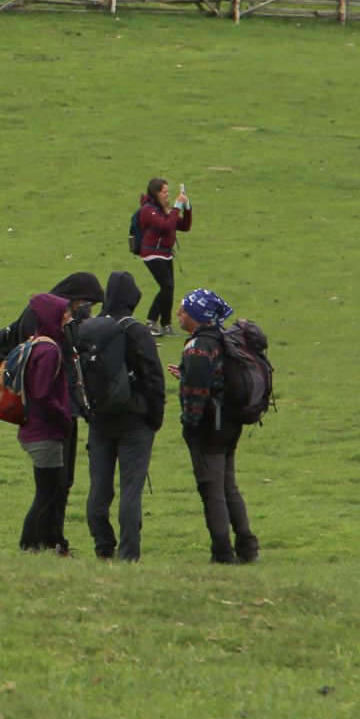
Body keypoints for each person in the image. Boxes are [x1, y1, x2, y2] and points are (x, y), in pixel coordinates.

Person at [77, 270, 166, 561]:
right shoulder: (136, 331)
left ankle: (103, 547)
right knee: (130, 491)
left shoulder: (89, 329)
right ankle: (129, 555)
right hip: (135, 423)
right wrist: (154, 418)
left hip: (100, 420)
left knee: (98, 489)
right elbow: (153, 378)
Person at [175, 287, 259, 565]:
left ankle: (222, 553)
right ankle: (247, 547)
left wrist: (189, 423)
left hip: (209, 428)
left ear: (197, 315)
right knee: (228, 485)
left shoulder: (199, 346)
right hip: (230, 422)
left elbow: (196, 394)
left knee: (212, 489)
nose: (178, 314)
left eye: (184, 310)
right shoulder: (221, 338)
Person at [14, 292, 77, 555]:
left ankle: (37, 544)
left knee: (47, 491)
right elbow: (42, 393)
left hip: (32, 429)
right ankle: (29, 544)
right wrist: (64, 416)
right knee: (47, 493)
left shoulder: (34, 344)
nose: (70, 317)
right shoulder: (50, 350)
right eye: (66, 312)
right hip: (45, 432)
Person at [0, 271, 106, 365]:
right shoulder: (38, 314)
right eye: (86, 304)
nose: (88, 309)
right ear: (76, 298)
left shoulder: (54, 312)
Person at [133, 177, 194, 336]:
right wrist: (176, 207)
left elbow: (185, 226)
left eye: (168, 191)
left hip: (165, 253)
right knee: (167, 287)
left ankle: (166, 324)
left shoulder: (164, 209)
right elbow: (165, 225)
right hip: (152, 252)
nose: (167, 194)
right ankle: (151, 321)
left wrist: (187, 208)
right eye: (164, 192)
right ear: (156, 193)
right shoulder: (148, 210)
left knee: (169, 288)